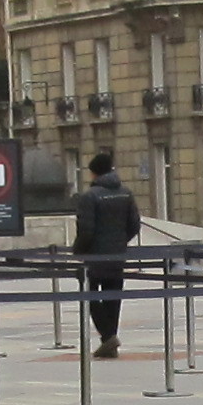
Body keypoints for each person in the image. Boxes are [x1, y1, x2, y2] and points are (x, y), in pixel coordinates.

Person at [70, 148, 140, 357]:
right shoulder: (126, 193)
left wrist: (78, 250)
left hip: (95, 256)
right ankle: (109, 343)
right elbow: (134, 225)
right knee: (113, 298)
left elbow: (86, 230)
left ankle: (109, 337)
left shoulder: (90, 196)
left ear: (94, 173)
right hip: (117, 254)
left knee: (90, 295)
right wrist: (120, 242)